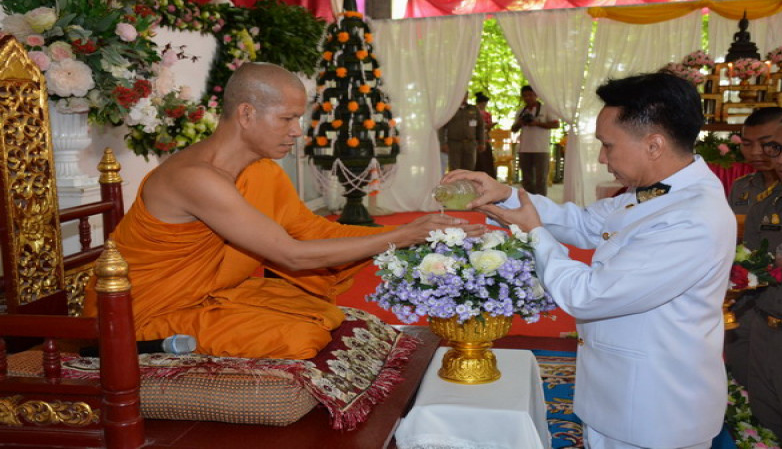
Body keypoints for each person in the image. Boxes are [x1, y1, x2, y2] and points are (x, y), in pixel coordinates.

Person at [82, 62, 485, 360]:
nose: (297, 130)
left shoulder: (257, 171)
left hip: (207, 296)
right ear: (246, 114)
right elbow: (290, 254)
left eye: (299, 118)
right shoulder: (196, 178)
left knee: (322, 315)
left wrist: (397, 240)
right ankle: (145, 349)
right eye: (288, 118)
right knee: (298, 338)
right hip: (137, 315)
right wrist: (404, 234)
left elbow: (306, 230)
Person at [445, 72, 735, 448]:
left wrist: (536, 234)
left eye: (607, 144)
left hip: (655, 409)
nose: (601, 157)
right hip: (618, 394)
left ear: (654, 145)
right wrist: (505, 196)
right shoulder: (655, 193)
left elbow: (590, 295)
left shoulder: (692, 217)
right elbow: (583, 223)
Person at [741, 112, 782, 446]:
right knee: (766, 434)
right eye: (777, 149)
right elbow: (751, 271)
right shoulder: (767, 206)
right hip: (764, 334)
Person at [724, 106, 782, 389]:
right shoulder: (742, 187)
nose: (756, 152)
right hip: (742, 297)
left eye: (767, 143)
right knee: (739, 366)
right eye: (748, 144)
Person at [511, 85, 559, 196]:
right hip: (524, 149)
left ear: (536, 95)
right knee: (527, 179)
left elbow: (556, 124)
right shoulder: (521, 111)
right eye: (525, 96)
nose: (527, 98)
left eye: (530, 95)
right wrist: (520, 122)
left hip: (541, 149)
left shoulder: (546, 108)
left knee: (541, 179)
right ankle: (529, 201)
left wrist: (537, 123)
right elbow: (513, 129)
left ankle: (542, 203)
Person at [438, 93, 485, 173]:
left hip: (470, 144)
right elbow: (441, 127)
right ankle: (455, 185)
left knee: (469, 169)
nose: (464, 96)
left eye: (466, 94)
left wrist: (482, 142)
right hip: (454, 144)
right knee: (455, 170)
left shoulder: (473, 109)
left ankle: (467, 185)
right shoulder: (451, 109)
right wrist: (442, 143)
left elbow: (480, 126)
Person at [474, 91, 496, 179]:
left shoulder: (487, 114)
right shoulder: (473, 112)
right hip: (476, 140)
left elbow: (488, 128)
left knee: (487, 163)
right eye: (482, 103)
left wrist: (489, 127)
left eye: (485, 103)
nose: (484, 105)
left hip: (486, 139)